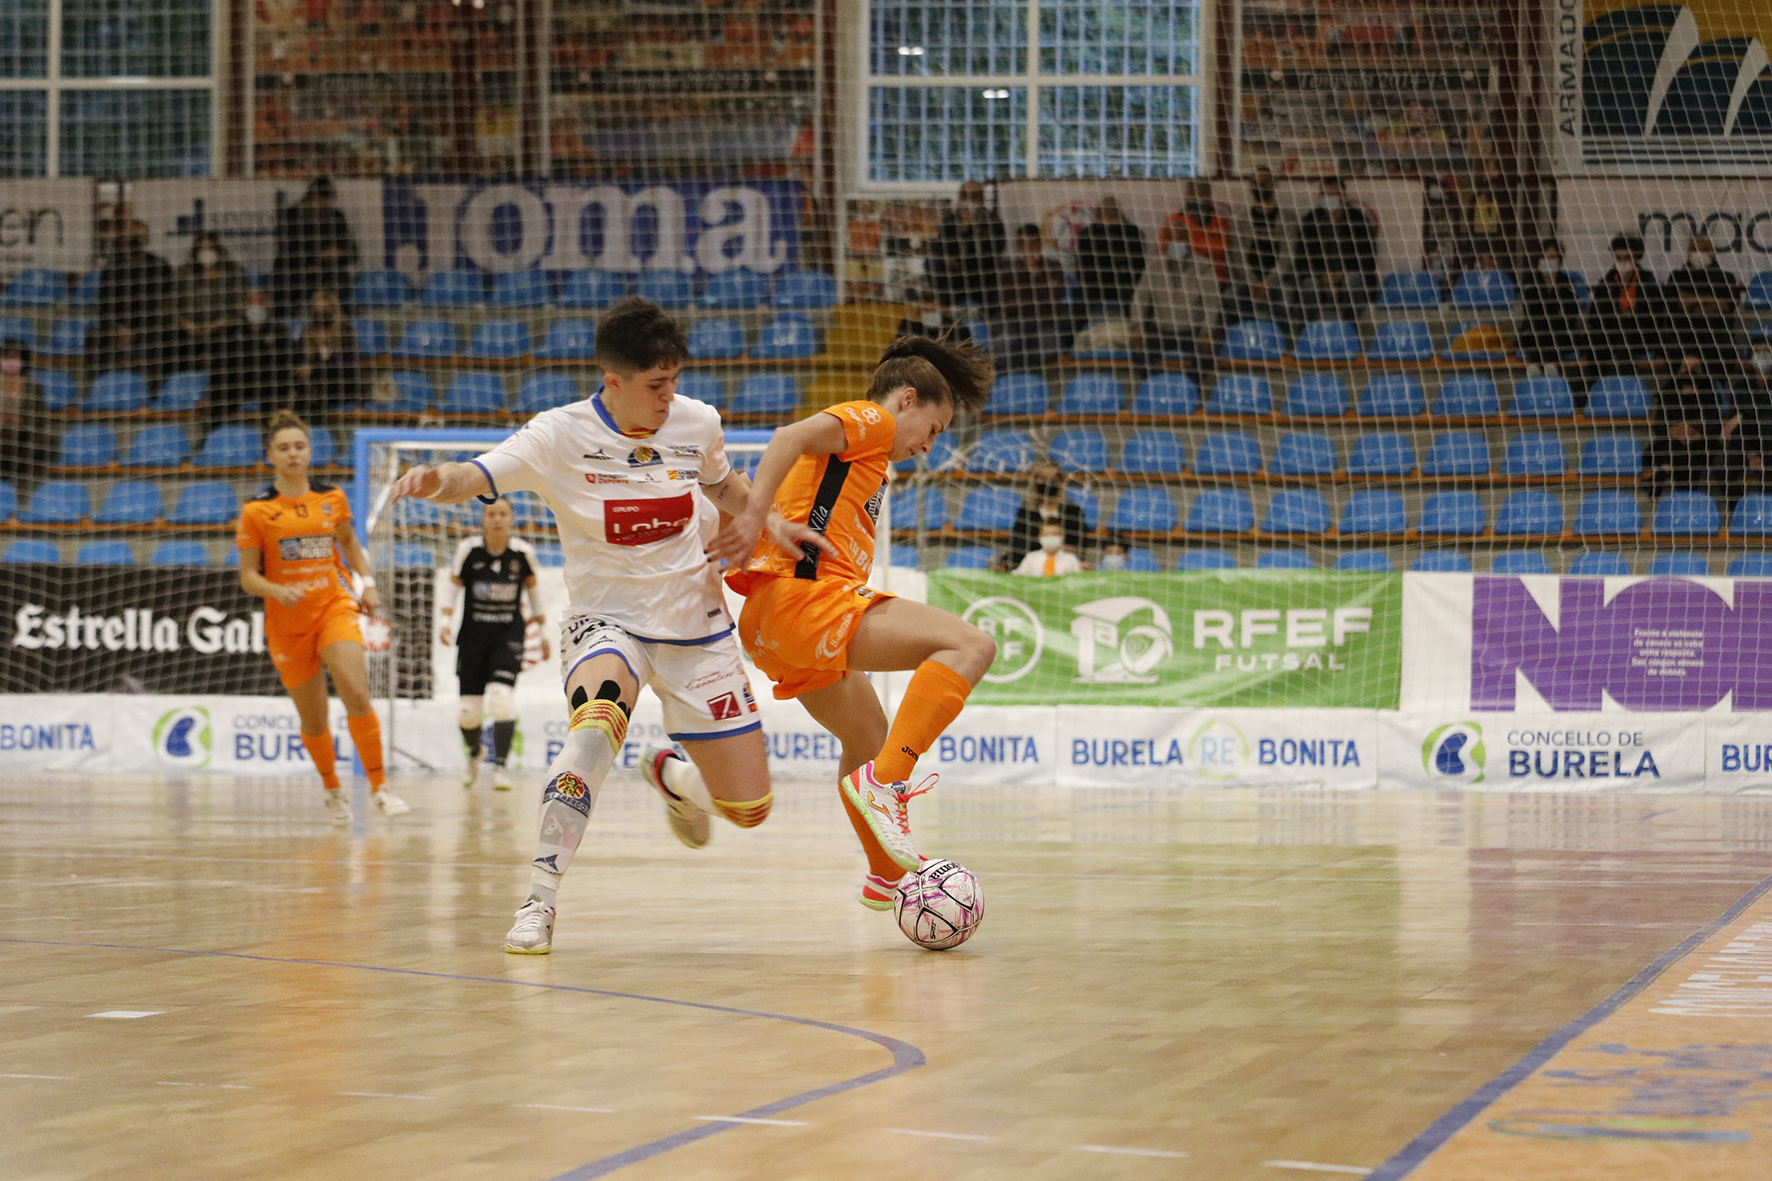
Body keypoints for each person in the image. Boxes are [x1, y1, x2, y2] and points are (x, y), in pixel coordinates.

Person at [386, 297, 795, 954]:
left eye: (675, 380)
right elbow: (476, 474)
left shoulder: (697, 421)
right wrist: (435, 479)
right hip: (608, 624)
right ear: (613, 380)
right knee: (596, 726)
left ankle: (671, 774)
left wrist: (769, 523)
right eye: (656, 385)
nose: (670, 396)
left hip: (698, 625)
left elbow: (723, 488)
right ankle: (539, 900)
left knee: (750, 809)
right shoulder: (558, 435)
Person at [716, 335, 997, 910]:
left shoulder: (870, 458)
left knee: (867, 739)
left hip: (773, 625)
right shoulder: (872, 421)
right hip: (805, 602)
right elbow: (789, 437)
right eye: (934, 429)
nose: (929, 447)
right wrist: (752, 518)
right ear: (906, 401)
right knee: (970, 645)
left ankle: (885, 875)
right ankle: (889, 787)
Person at [236, 410, 410, 823]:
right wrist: (278, 590)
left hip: (334, 608)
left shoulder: (332, 498)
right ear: (270, 456)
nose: (293, 453)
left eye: (299, 446)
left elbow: (350, 546)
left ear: (309, 452)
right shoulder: (257, 512)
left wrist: (366, 582)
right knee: (313, 719)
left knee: (356, 690)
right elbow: (247, 577)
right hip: (287, 624)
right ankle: (332, 789)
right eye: (284, 448)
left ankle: (380, 787)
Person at [442, 497, 549, 791]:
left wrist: (544, 632)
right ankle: (475, 754)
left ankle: (501, 768)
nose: (497, 519)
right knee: (468, 712)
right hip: (473, 639)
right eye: (491, 514)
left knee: (501, 701)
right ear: (483, 519)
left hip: (507, 637)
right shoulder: (469, 550)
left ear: (511, 518)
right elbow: (453, 586)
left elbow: (534, 592)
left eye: (503, 513)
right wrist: (444, 621)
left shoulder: (522, 552)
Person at [1129, 228, 1222, 370]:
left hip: (1191, 332)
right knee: (1139, 355)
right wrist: (1137, 328)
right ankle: (1154, 389)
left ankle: (1191, 390)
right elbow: (1139, 300)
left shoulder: (1204, 266)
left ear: (1188, 241)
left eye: (1180, 238)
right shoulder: (1154, 266)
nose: (1176, 243)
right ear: (1165, 241)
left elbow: (1212, 303)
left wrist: (1206, 332)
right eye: (1171, 238)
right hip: (1160, 330)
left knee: (1206, 357)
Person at [1289, 176, 1377, 325]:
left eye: (1333, 194)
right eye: (1324, 194)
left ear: (1343, 195)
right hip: (1319, 280)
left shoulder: (1358, 221)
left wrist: (1340, 276)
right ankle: (1310, 331)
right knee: (1308, 284)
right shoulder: (1310, 220)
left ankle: (1349, 329)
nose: (1328, 198)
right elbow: (1301, 261)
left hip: (1348, 279)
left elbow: (1368, 260)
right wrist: (1323, 278)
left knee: (1353, 280)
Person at [272, 176, 360, 320]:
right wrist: (317, 256)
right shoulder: (291, 216)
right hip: (296, 272)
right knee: (284, 281)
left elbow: (352, 251)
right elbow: (287, 251)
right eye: (320, 200)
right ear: (311, 197)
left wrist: (338, 253)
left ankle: (339, 321)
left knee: (340, 279)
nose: (324, 205)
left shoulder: (336, 217)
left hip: (328, 272)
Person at [94, 219, 174, 375]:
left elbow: (164, 303)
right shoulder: (112, 266)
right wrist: (119, 328)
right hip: (118, 327)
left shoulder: (160, 265)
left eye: (139, 235)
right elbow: (104, 304)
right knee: (94, 337)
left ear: (147, 239)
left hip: (149, 326)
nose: (134, 239)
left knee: (166, 336)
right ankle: (100, 386)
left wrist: (138, 331)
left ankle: (155, 391)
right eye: (131, 235)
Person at [210, 288, 295, 433]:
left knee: (276, 396)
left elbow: (285, 365)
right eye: (251, 302)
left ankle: (272, 440)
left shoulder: (280, 332)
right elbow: (219, 365)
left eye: (260, 302)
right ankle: (213, 437)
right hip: (238, 384)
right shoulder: (231, 332)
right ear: (243, 305)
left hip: (268, 385)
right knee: (219, 397)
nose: (256, 306)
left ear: (269, 305)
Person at [1663, 234, 1744, 379]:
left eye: (1703, 249)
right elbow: (1681, 302)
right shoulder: (1676, 277)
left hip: (1716, 338)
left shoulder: (1726, 278)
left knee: (1724, 352)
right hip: (1684, 337)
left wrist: (1693, 302)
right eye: (1694, 250)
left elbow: (1725, 307)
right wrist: (1710, 301)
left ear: (1712, 253)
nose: (1698, 253)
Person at [1586, 233, 1664, 374]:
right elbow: (1595, 315)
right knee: (1600, 340)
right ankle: (1595, 388)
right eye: (1619, 258)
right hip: (1612, 335)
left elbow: (1657, 315)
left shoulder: (1647, 281)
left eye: (1627, 258)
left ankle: (1626, 377)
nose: (1623, 262)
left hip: (1641, 334)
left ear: (1637, 258)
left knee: (1624, 329)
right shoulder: (1608, 282)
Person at [995, 223, 1069, 371]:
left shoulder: (1053, 267)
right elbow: (1008, 304)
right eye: (1023, 245)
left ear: (1040, 245)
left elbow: (1054, 301)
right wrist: (1038, 292)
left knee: (1047, 349)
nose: (1027, 250)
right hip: (1016, 323)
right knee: (1000, 349)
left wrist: (1035, 275)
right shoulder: (1008, 269)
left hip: (1046, 322)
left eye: (1032, 245)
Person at [175, 232, 249, 374]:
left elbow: (244, 303)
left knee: (236, 336)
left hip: (223, 329)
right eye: (203, 249)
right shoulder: (184, 273)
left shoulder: (234, 272)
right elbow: (171, 305)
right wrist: (186, 323)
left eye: (211, 248)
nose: (207, 252)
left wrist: (220, 323)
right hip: (189, 330)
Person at [929, 181, 1006, 312]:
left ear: (981, 198)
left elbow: (995, 250)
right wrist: (963, 230)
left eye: (974, 196)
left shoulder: (993, 221)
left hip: (981, 276)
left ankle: (985, 317)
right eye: (965, 196)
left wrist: (974, 227)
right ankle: (948, 312)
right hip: (954, 278)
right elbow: (940, 249)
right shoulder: (949, 221)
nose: (969, 200)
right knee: (933, 263)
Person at [289, 289, 362, 423]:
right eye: (317, 307)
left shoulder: (345, 332)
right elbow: (298, 360)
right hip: (311, 388)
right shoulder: (305, 333)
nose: (320, 312)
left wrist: (314, 369)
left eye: (324, 307)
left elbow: (344, 365)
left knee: (312, 396)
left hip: (338, 385)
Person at [1517, 239, 1586, 377]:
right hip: (1535, 330)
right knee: (1541, 325)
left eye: (1553, 257)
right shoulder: (1530, 280)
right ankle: (1549, 365)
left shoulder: (1566, 282)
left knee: (1555, 326)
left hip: (1559, 332)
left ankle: (1537, 365)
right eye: (1545, 257)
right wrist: (1556, 309)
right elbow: (1531, 310)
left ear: (1559, 260)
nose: (1548, 260)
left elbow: (1570, 314)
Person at [1643, 377, 1722, 495]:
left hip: (1700, 446)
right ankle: (1684, 495)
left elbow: (1714, 426)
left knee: (1685, 455)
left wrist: (1694, 433)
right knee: (1676, 449)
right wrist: (1676, 433)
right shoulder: (1668, 397)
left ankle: (1665, 469)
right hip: (1671, 444)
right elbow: (1660, 426)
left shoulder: (1709, 397)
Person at [1074, 195, 1147, 318]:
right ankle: (1070, 335)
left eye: (1111, 214)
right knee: (1080, 301)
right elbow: (1084, 267)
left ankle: (1136, 330)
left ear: (1118, 213)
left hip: (1124, 283)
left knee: (1135, 298)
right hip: (1095, 283)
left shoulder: (1132, 233)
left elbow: (1138, 267)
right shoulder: (1087, 234)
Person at [1007, 461, 1088, 564]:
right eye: (1043, 478)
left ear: (1060, 480)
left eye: (1052, 479)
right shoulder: (1027, 512)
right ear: (1035, 481)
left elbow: (1079, 546)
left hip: (1064, 564)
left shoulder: (1073, 512)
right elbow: (1018, 545)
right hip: (1033, 564)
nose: (1048, 483)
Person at [1161, 180, 1231, 285]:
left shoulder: (1221, 221)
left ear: (1208, 197)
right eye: (1191, 193)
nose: (1195, 197)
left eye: (1200, 193)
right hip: (1186, 283)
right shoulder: (1174, 220)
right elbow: (1167, 254)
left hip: (1219, 282)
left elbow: (1227, 251)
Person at [0, 343, 49, 493]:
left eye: (15, 356)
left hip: (23, 434)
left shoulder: (34, 387)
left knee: (18, 439)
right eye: (7, 356)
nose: (10, 359)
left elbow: (39, 418)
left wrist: (18, 421)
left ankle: (13, 491)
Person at [1014, 520, 1083, 576]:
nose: (1051, 537)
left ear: (1062, 536)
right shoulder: (1031, 558)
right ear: (1040, 537)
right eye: (1047, 534)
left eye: (1055, 534)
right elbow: (1017, 576)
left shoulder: (1071, 559)